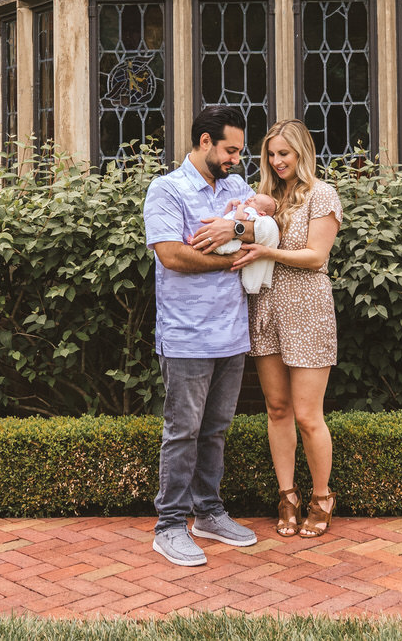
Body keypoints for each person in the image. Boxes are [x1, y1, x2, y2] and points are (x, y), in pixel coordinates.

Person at [141, 105, 260, 567]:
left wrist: (232, 227)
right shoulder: (167, 190)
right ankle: (169, 525)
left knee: (215, 430)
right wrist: (232, 256)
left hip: (232, 333)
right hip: (187, 335)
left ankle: (208, 513)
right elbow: (172, 255)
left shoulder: (234, 188)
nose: (236, 159)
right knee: (183, 432)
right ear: (205, 141)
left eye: (240, 151)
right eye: (230, 149)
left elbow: (264, 228)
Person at [231, 119, 344, 539]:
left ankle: (321, 496)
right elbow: (239, 233)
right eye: (272, 154)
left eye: (285, 154)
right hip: (267, 307)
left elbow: (316, 256)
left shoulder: (323, 194)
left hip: (308, 310)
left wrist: (266, 250)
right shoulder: (263, 199)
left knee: (308, 415)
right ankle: (287, 496)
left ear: (302, 153)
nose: (278, 162)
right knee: (276, 409)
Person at [213, 193, 280, 295]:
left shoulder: (252, 213)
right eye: (252, 197)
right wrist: (231, 205)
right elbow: (227, 215)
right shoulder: (248, 208)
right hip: (220, 231)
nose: (250, 199)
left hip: (231, 239)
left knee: (221, 246)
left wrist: (240, 208)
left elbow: (239, 220)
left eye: (254, 201)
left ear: (261, 213)